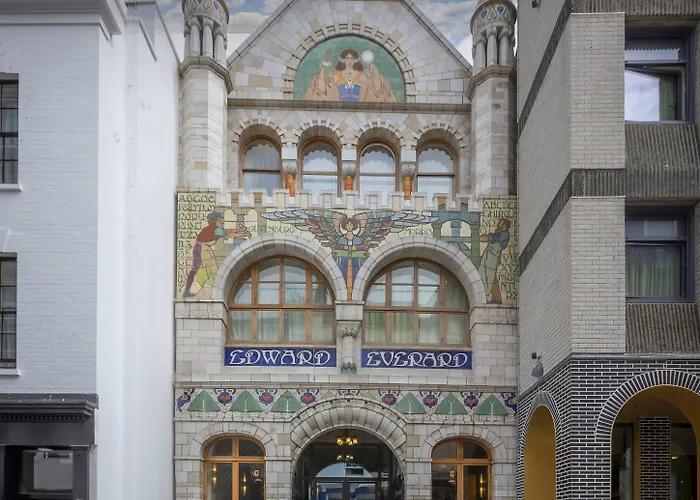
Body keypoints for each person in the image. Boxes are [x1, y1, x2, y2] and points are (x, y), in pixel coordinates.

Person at [304, 48, 397, 102]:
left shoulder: (362, 75)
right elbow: (322, 90)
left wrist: (375, 71)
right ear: (343, 60)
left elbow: (377, 91)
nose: (349, 60)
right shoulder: (336, 75)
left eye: (351, 58)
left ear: (355, 60)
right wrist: (322, 70)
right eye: (347, 58)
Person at [182, 212, 228, 298]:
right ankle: (216, 294)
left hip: (198, 247)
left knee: (195, 269)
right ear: (215, 220)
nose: (221, 220)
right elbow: (227, 233)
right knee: (214, 270)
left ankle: (187, 291)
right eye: (220, 219)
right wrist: (243, 234)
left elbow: (226, 232)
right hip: (203, 249)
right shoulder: (216, 229)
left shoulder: (210, 229)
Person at [478, 218, 511, 304]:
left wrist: (477, 237)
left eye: (500, 223)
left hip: (493, 258)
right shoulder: (499, 233)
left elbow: (490, 239)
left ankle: (495, 298)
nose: (498, 224)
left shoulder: (504, 234)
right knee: (490, 276)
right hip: (490, 257)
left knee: (490, 276)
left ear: (504, 226)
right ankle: (496, 298)